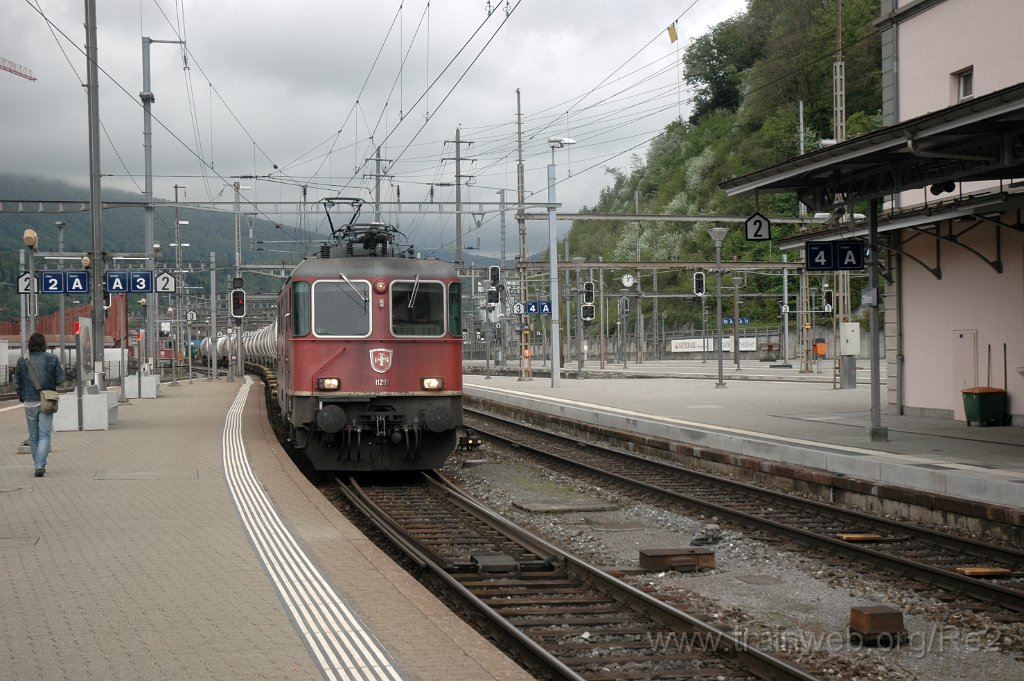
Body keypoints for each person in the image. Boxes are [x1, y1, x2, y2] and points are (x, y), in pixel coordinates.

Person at [14, 332, 65, 477]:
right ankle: (40, 465)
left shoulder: (22, 360)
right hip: (46, 401)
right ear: (44, 344)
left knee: (34, 436)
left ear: (30, 344)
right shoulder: (52, 359)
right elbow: (60, 379)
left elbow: (17, 381)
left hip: (29, 402)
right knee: (44, 435)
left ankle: (38, 464)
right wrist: (49, 383)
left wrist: (21, 395)